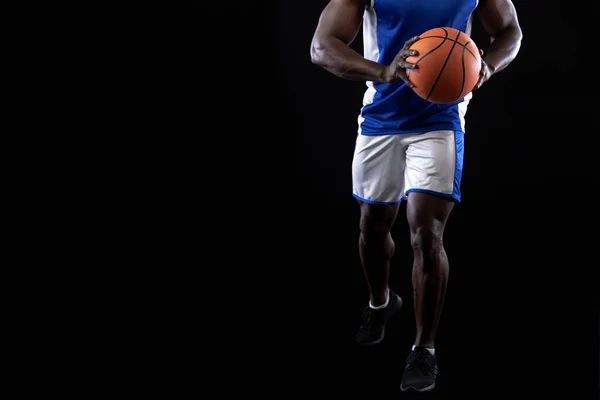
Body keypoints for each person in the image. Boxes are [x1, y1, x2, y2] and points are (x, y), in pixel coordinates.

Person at [310, 0, 522, 392]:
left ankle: (424, 348)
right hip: (381, 119)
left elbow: (510, 30)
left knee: (427, 234)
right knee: (373, 227)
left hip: (440, 120)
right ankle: (380, 303)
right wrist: (383, 72)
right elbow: (322, 46)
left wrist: (488, 65)